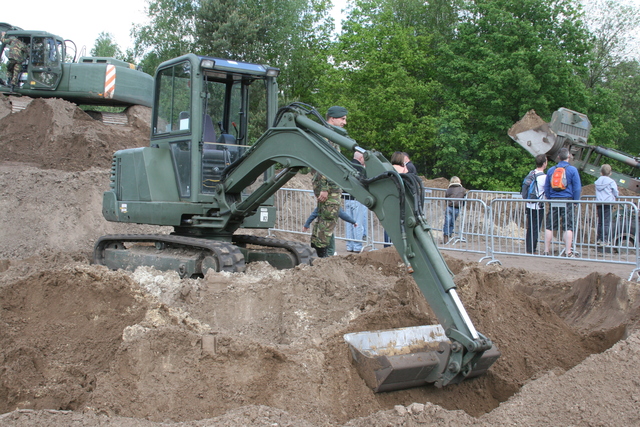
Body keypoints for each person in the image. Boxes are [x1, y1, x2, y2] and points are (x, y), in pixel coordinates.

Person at [310, 106, 348, 257]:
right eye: (342, 119)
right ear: (332, 118)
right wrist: (324, 188)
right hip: (328, 187)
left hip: (329, 186)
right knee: (327, 220)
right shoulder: (326, 136)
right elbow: (322, 163)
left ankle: (316, 253)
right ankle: (321, 255)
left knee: (323, 219)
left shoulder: (329, 135)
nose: (345, 122)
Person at [543, 147, 582, 257]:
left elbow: (547, 187)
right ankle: (568, 251)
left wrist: (550, 199)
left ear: (558, 157)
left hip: (554, 200)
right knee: (568, 226)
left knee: (549, 226)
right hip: (567, 200)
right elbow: (577, 188)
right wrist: (576, 201)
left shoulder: (551, 170)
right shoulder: (572, 170)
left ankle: (546, 251)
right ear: (568, 157)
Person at [384, 151, 408, 247]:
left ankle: (387, 245)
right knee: (400, 223)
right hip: (400, 200)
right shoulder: (403, 170)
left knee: (388, 224)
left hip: (389, 199)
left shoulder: (387, 169)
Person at [345, 151, 368, 253]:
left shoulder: (346, 165)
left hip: (347, 198)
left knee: (349, 224)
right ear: (361, 158)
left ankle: (349, 245)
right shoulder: (360, 168)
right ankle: (357, 246)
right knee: (357, 223)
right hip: (357, 198)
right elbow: (364, 182)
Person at [525, 154, 548, 254]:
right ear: (544, 163)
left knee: (530, 227)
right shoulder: (544, 177)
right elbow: (546, 192)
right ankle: (532, 248)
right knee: (535, 227)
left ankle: (528, 248)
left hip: (529, 204)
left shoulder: (531, 173)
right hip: (538, 205)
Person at [594, 164, 619, 246]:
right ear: (610, 173)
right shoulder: (611, 181)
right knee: (606, 222)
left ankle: (598, 238)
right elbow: (615, 192)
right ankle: (604, 240)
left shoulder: (597, 182)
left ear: (601, 172)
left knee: (600, 221)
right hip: (608, 203)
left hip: (599, 203)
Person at [443, 176, 466, 243]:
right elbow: (464, 198)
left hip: (449, 207)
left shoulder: (448, 189)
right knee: (452, 223)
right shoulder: (462, 189)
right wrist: (463, 204)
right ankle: (449, 235)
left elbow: (446, 198)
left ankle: (446, 237)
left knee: (447, 222)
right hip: (457, 207)